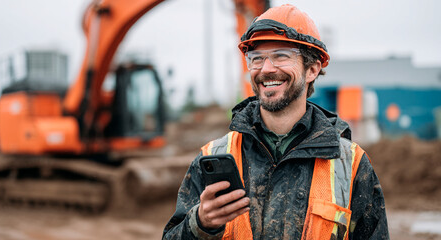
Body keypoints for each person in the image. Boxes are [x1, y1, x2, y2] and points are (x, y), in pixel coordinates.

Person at [163, 4, 389, 240]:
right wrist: (200, 224)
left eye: (281, 55)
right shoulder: (213, 156)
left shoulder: (350, 165)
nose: (266, 69)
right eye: (257, 58)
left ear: (312, 69)